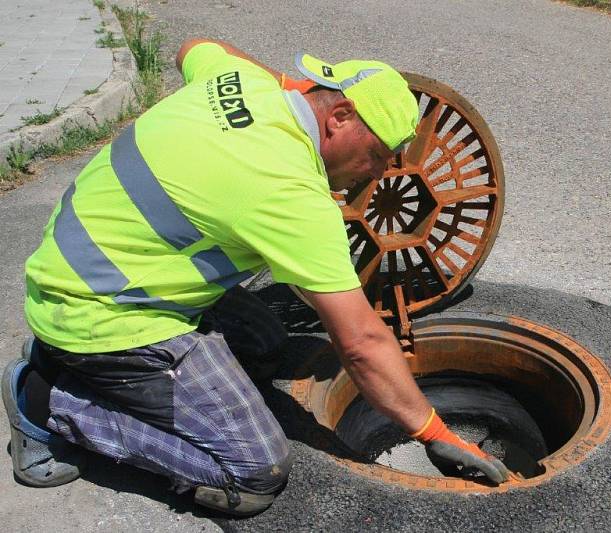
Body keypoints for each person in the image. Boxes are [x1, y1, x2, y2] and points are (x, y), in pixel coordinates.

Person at [1, 39, 512, 516]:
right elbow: (361, 342)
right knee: (254, 474)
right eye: (377, 155)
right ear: (339, 115)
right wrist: (432, 431)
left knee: (266, 343)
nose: (377, 175)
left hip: (82, 263)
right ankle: (48, 400)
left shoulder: (245, 82)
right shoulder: (290, 193)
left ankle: (83, 364)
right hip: (106, 315)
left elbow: (194, 48)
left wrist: (288, 86)